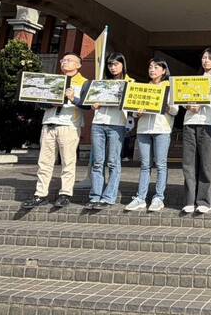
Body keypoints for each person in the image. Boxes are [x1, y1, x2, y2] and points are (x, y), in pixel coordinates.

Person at [23, 53, 89, 208]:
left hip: (69, 125)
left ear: (78, 65)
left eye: (69, 60)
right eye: (63, 60)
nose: (65, 63)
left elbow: (87, 105)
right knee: (44, 162)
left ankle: (65, 194)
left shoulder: (84, 83)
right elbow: (39, 103)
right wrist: (51, 103)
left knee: (68, 161)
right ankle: (40, 194)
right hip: (49, 123)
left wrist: (73, 99)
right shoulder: (53, 81)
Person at [124, 59, 178, 213]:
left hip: (162, 129)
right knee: (145, 165)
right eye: (150, 67)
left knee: (161, 165)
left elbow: (175, 111)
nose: (152, 70)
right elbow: (134, 111)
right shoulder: (143, 88)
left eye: (156, 67)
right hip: (143, 130)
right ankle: (140, 197)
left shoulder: (169, 88)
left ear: (163, 71)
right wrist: (137, 112)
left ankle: (159, 197)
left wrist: (164, 105)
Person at [85, 52, 133, 210]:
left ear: (123, 65)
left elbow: (132, 104)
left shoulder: (130, 82)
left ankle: (109, 197)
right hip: (98, 123)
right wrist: (93, 104)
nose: (113, 68)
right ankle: (95, 196)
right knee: (97, 162)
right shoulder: (100, 83)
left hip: (117, 124)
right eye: (110, 65)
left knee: (113, 162)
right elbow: (90, 102)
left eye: (116, 64)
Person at [181, 48, 211, 214]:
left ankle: (204, 201)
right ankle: (189, 200)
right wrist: (188, 105)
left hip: (209, 123)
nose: (205, 60)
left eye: (209, 58)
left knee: (206, 164)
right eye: (203, 57)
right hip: (190, 122)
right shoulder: (194, 79)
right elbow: (182, 98)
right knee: (189, 164)